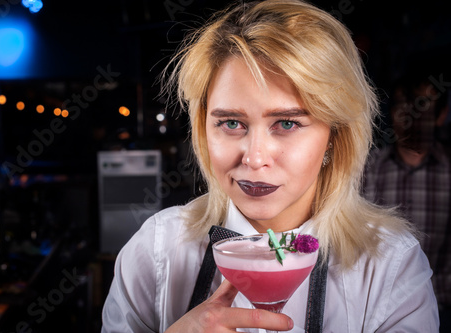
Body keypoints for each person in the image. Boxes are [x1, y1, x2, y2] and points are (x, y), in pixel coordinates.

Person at [101, 1, 439, 332]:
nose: (254, 158)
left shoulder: (390, 266)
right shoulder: (156, 250)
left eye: (287, 124)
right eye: (231, 123)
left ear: (335, 135)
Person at [363, 71, 450, 332]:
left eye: (423, 105)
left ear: (441, 115)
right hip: (373, 308)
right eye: (403, 105)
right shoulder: (366, 168)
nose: (411, 115)